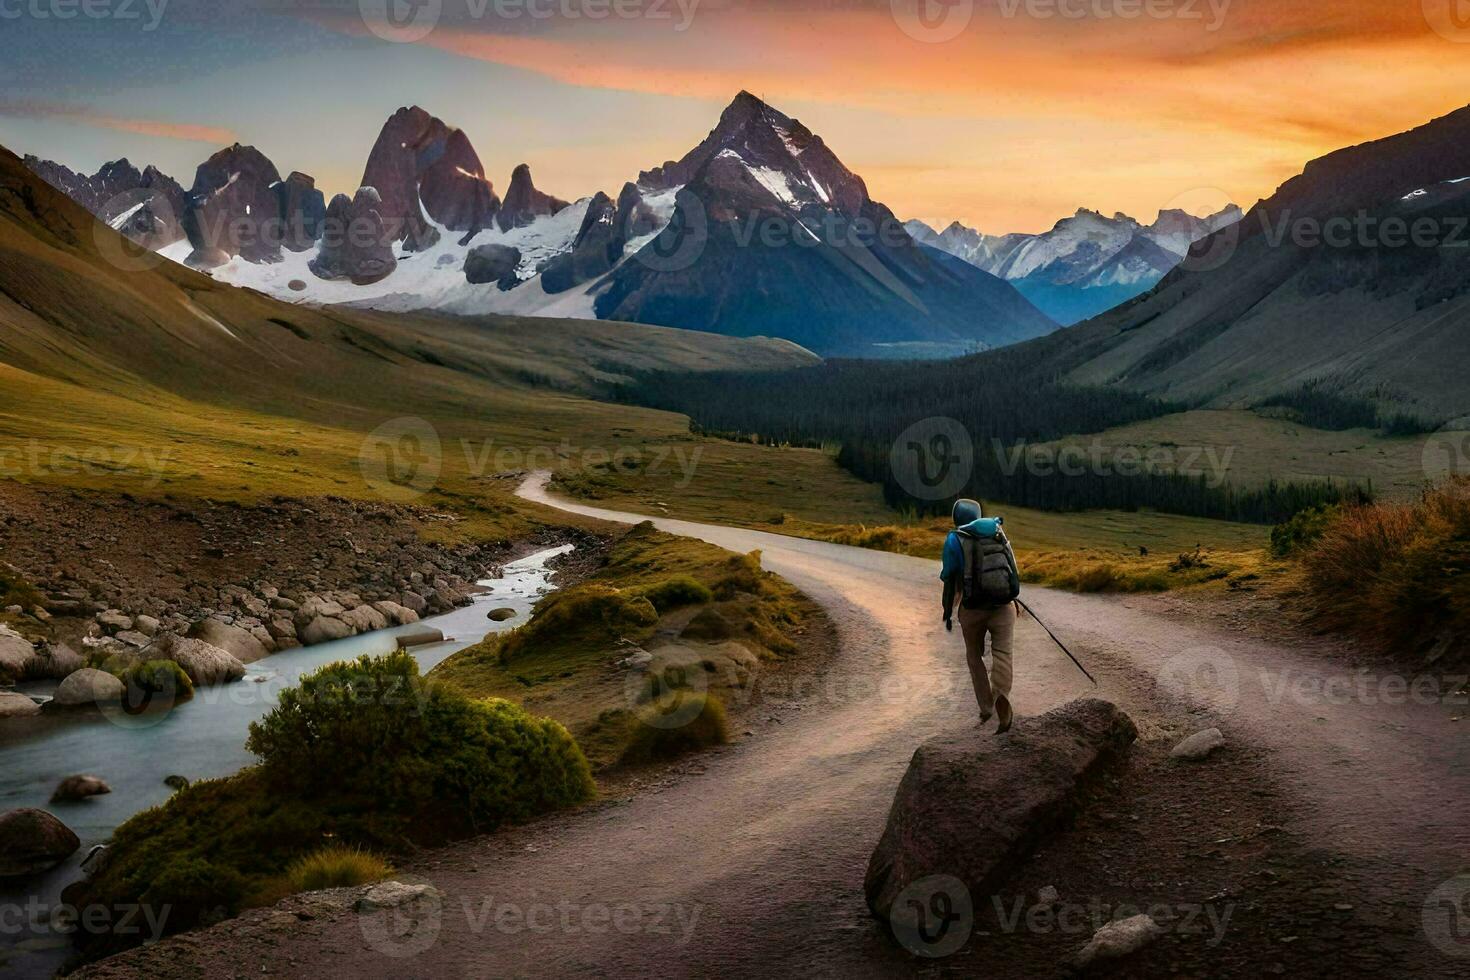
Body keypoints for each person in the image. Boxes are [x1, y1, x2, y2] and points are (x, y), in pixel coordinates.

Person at [940, 498, 1021, 732]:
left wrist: (947, 612)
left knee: (974, 656)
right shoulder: (997, 531)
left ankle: (987, 708)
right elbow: (1011, 570)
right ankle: (1001, 696)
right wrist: (1013, 599)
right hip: (1003, 605)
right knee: (1003, 653)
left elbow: (949, 580)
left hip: (973, 609)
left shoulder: (954, 539)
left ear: (957, 518)